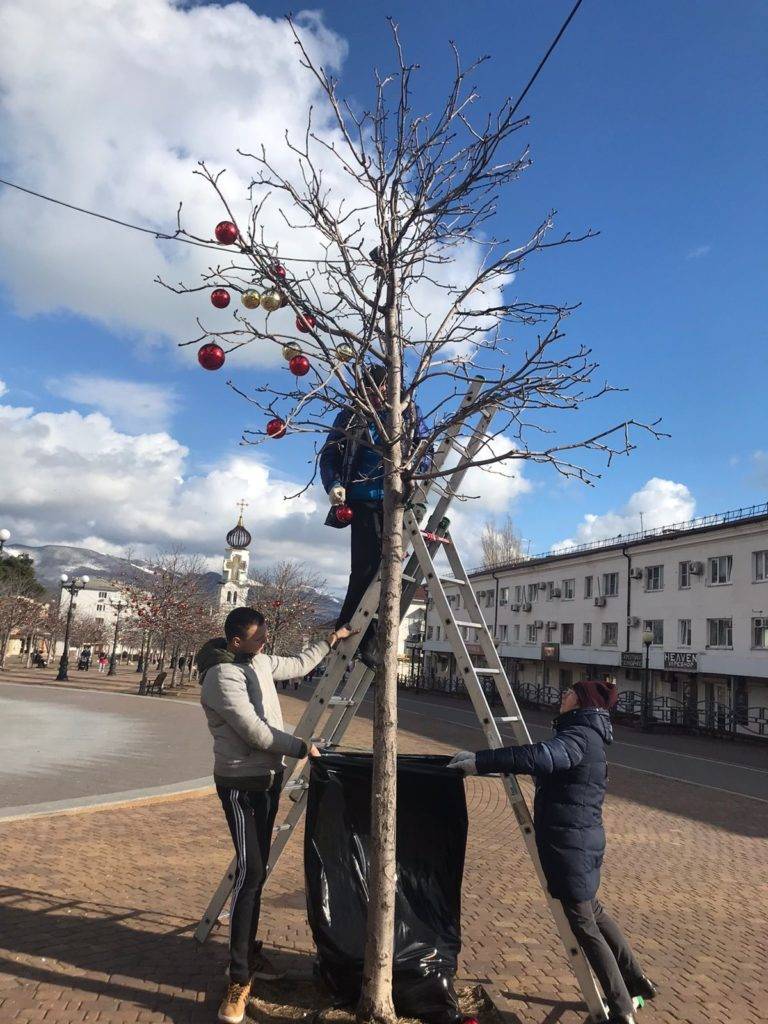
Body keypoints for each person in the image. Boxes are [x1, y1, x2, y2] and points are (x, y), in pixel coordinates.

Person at [447, 680, 658, 1024]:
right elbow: (557, 769)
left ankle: (621, 1009)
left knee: (585, 927)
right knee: (595, 912)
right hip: (582, 840)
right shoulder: (588, 735)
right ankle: (637, 980)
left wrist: (479, 762)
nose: (564, 695)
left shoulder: (578, 738)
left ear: (583, 703)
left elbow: (542, 757)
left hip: (569, 847)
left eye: (570, 692)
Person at [197, 607, 354, 1024]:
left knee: (257, 871)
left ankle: (247, 952)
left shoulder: (259, 661)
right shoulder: (221, 678)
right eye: (259, 637)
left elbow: (297, 663)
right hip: (240, 785)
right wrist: (304, 748)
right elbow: (255, 733)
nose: (266, 643)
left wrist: (329, 641)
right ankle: (238, 979)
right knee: (249, 874)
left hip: (268, 781)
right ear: (235, 642)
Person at [319, 363, 429, 667]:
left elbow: (424, 448)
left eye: (377, 388)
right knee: (367, 569)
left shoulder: (409, 414)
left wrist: (414, 470)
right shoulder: (350, 415)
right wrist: (334, 484)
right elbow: (329, 454)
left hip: (396, 501)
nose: (373, 394)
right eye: (366, 388)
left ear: (388, 387)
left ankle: (363, 635)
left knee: (391, 571)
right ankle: (357, 636)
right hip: (363, 500)